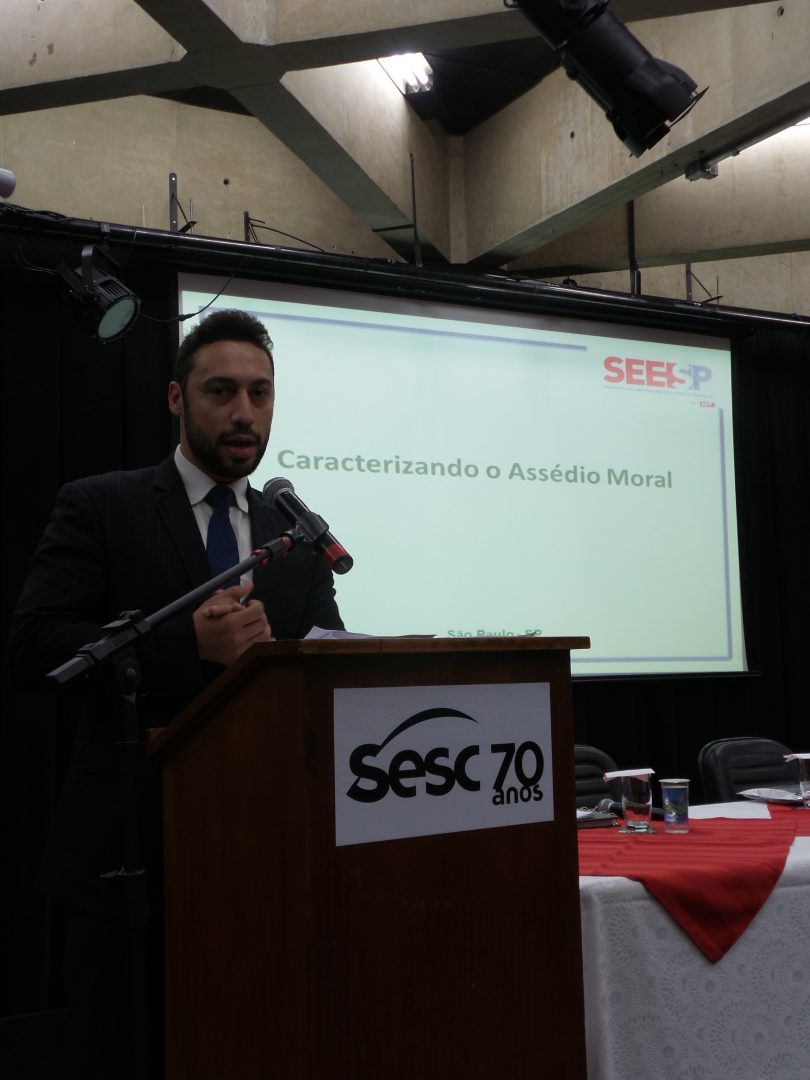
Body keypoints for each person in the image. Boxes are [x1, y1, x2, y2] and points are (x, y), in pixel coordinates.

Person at [7, 308, 344, 1079]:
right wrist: (182, 642)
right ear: (175, 398)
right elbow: (33, 649)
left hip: (266, 854)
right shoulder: (103, 506)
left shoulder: (293, 533)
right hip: (129, 857)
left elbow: (322, 660)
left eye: (260, 393)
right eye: (221, 392)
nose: (244, 412)